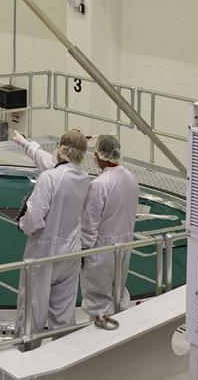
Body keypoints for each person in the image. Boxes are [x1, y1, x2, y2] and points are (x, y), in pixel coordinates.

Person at [16, 130, 92, 348]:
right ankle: (63, 355)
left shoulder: (49, 177)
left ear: (61, 148)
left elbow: (34, 217)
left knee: (32, 307)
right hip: (71, 253)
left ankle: (25, 356)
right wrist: (26, 144)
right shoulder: (84, 179)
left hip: (44, 252)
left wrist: (22, 224)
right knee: (64, 310)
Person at [80, 134, 140, 323]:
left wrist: (83, 250)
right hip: (125, 244)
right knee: (118, 291)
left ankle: (99, 338)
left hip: (102, 249)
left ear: (100, 155)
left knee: (98, 299)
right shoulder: (131, 177)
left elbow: (90, 223)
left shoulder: (99, 184)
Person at [12, 128, 82, 173]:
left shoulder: (50, 176)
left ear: (62, 149)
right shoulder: (84, 178)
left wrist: (24, 142)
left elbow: (42, 158)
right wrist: (24, 142)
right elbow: (41, 156)